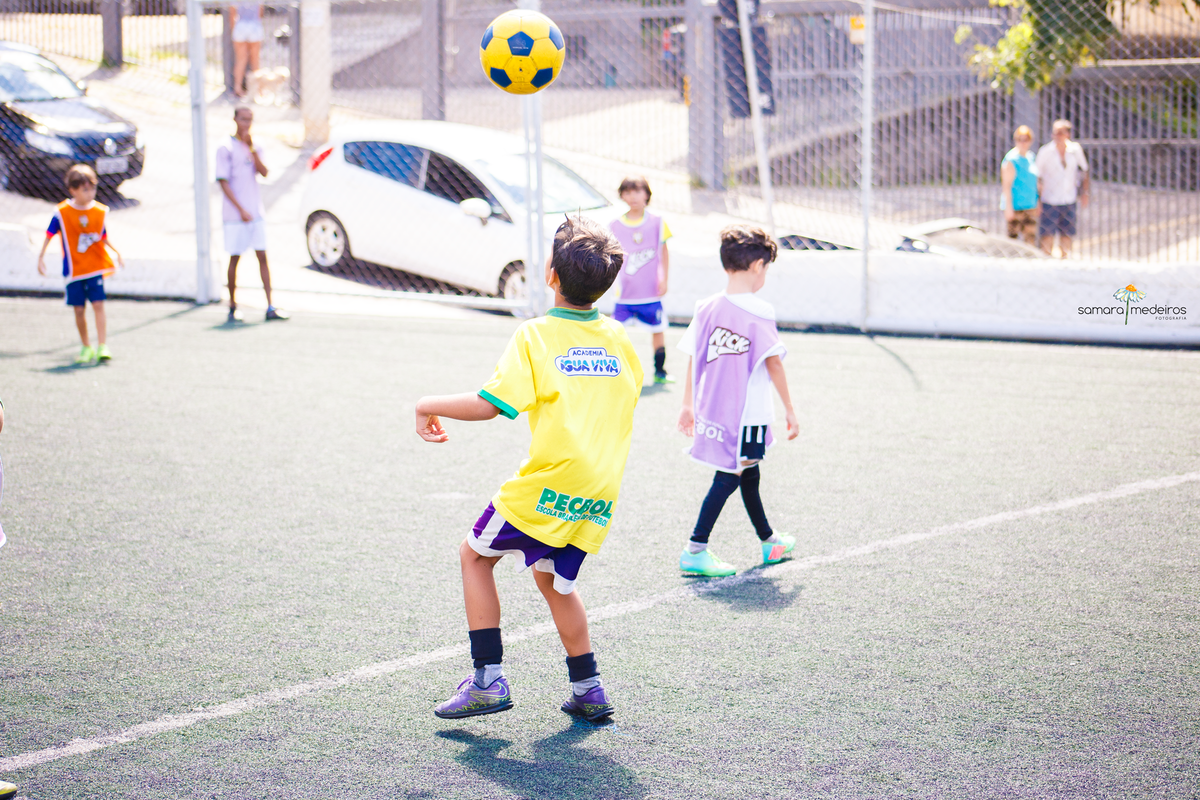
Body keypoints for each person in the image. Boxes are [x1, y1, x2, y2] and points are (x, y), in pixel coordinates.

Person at [415, 216, 641, 723]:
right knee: (554, 580)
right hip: (599, 487)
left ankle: (487, 681)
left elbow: (491, 404)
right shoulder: (619, 338)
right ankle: (588, 688)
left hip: (551, 481)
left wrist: (427, 403)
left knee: (474, 556)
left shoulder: (536, 335)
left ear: (549, 274)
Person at [676, 225, 799, 577]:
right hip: (750, 415)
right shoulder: (761, 310)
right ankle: (695, 548)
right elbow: (774, 364)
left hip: (715, 409)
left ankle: (769, 540)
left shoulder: (706, 307)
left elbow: (694, 355)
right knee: (730, 474)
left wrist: (687, 404)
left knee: (748, 471)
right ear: (758, 266)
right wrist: (790, 410)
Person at [36, 164, 125, 364]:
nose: (90, 193)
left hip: (94, 268)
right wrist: (41, 257)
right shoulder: (61, 213)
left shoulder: (99, 211)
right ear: (73, 190)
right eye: (85, 189)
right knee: (79, 309)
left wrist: (117, 253)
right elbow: (49, 234)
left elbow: (102, 236)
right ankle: (86, 346)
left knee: (98, 304)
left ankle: (102, 345)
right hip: (74, 270)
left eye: (93, 188)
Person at [216, 107, 288, 322]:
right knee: (235, 258)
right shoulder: (225, 147)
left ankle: (270, 306)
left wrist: (252, 149)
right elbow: (223, 182)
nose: (246, 124)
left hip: (255, 212)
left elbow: (264, 172)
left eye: (250, 120)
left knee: (262, 256)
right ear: (235, 119)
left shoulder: (255, 145)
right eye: (243, 119)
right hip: (235, 215)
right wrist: (240, 210)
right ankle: (232, 306)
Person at [608, 176, 673, 384]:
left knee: (658, 330)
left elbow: (664, 252)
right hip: (625, 294)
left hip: (650, 292)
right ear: (622, 196)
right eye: (627, 192)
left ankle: (660, 371)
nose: (633, 197)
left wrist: (664, 279)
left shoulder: (657, 222)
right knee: (615, 333)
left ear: (647, 194)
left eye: (637, 191)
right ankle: (616, 373)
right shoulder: (614, 225)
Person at [1036, 119, 1090, 259]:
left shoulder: (1075, 150)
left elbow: (1084, 171)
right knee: (1047, 233)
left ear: (1068, 134)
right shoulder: (1045, 151)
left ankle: (1064, 259)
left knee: (1067, 233)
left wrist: (1085, 192)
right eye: (1055, 133)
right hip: (1049, 198)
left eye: (1060, 133)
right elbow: (1038, 176)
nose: (1057, 136)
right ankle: (1046, 259)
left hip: (1068, 197)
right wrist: (1038, 199)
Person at [1001, 125, 1039, 246]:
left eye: (1025, 139)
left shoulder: (1031, 157)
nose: (1022, 143)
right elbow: (1006, 185)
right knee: (1013, 243)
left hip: (1030, 206)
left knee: (1030, 242)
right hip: (1016, 207)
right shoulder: (1011, 159)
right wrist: (1008, 208)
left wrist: (1038, 202)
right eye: (1019, 139)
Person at [230, 2, 264, 99]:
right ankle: (258, 89)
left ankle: (237, 88)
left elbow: (232, 13)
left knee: (240, 59)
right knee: (255, 60)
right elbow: (260, 12)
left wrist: (234, 29)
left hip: (240, 26)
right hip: (254, 25)